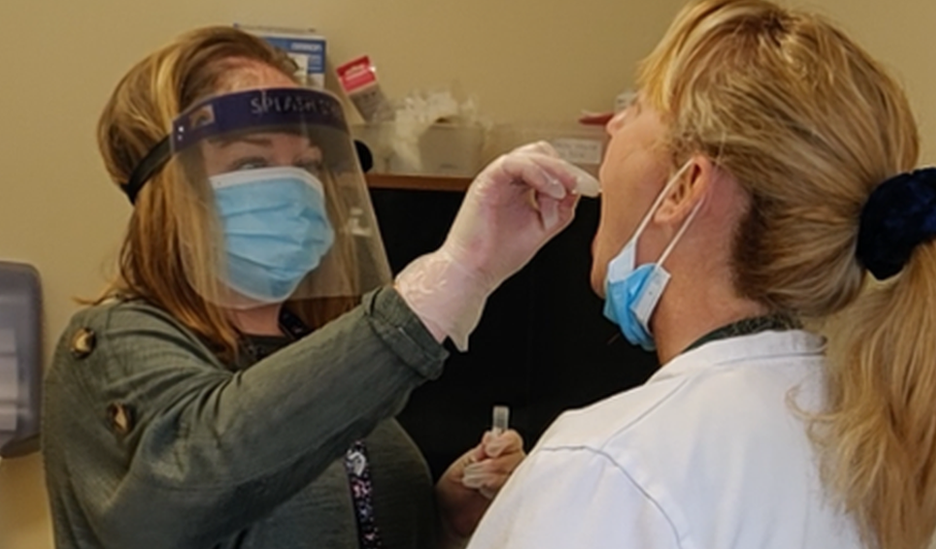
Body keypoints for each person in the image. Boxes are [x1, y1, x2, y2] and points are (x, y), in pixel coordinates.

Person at [41, 26, 586, 549]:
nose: (296, 187)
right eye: (252, 161)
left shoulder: (317, 347)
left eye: (307, 165)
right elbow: (198, 471)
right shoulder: (110, 343)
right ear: (169, 190)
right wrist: (446, 282)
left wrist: (445, 517)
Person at [466, 1, 936, 549]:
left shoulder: (613, 470)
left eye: (636, 106)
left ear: (684, 190)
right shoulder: (864, 446)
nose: (612, 126)